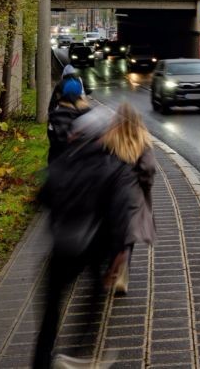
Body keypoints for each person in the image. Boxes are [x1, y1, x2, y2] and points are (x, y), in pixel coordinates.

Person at [34, 107, 138, 369]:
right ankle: (79, 354)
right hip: (93, 245)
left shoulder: (62, 162)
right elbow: (119, 212)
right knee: (94, 296)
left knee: (50, 307)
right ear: (101, 137)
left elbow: (42, 198)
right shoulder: (113, 166)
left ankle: (41, 360)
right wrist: (120, 251)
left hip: (61, 245)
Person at [101, 102, 156, 295]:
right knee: (129, 234)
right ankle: (123, 270)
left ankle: (113, 261)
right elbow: (148, 167)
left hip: (111, 193)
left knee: (113, 230)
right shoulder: (142, 141)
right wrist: (145, 183)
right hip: (133, 194)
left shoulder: (108, 140)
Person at [46, 78, 91, 163]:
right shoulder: (88, 115)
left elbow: (54, 139)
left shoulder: (56, 116)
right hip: (81, 167)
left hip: (58, 165)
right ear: (80, 95)